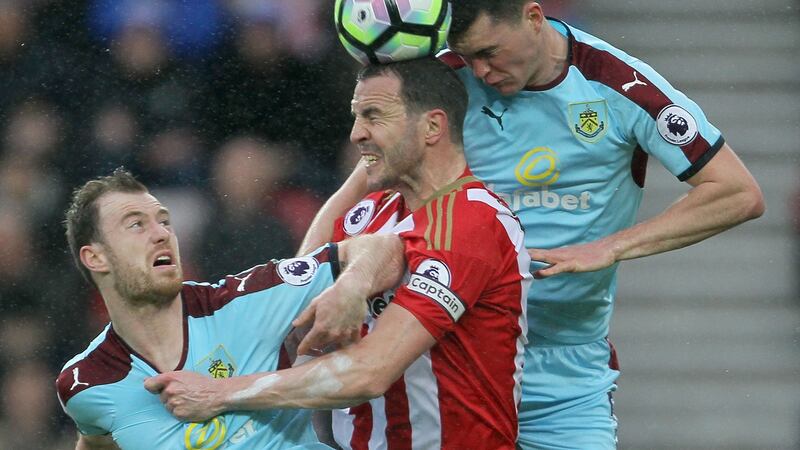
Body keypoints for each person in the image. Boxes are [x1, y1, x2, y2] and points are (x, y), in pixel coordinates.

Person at [296, 2, 766, 449]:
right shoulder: (450, 82)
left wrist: (611, 247)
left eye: (488, 53)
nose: (479, 71)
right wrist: (298, 286)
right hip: (449, 355)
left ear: (533, 17)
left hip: (563, 371)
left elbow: (737, 192)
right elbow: (356, 192)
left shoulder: (619, 86)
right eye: (467, 56)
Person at [145, 57, 532, 449]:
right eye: (355, 116)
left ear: (432, 126)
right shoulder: (371, 212)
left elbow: (371, 372)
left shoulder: (473, 222)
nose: (355, 134)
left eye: (374, 116)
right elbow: (295, 286)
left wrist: (220, 393)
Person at [54, 168, 405, 450]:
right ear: (95, 257)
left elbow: (384, 250)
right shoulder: (85, 383)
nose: (161, 233)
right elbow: (95, 437)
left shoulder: (241, 302)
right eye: (136, 225)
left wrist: (350, 288)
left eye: (164, 221)